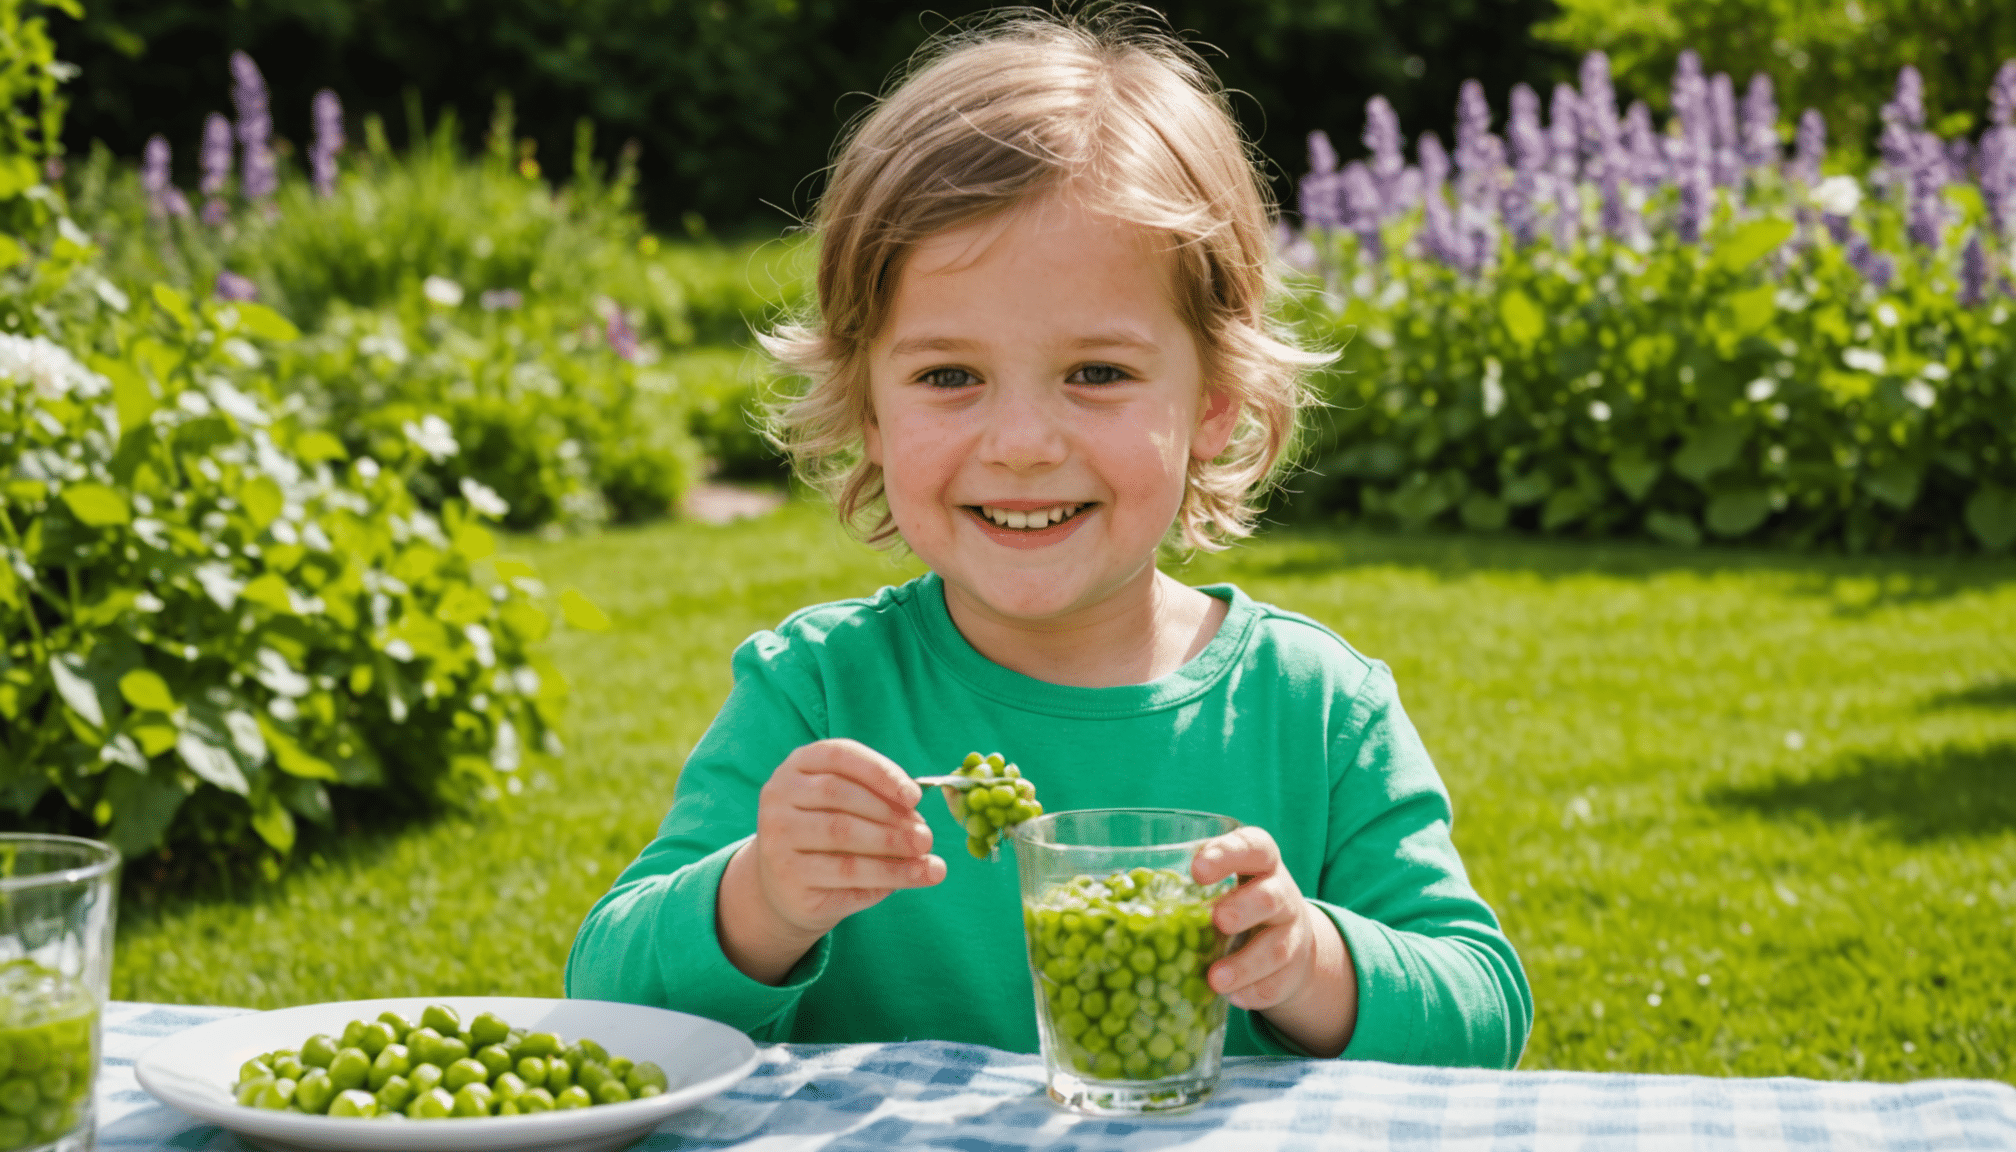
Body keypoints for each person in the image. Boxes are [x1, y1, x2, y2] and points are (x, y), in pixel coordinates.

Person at [566, 6, 1530, 1066]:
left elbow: (1481, 1016)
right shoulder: (819, 694)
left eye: (1098, 374)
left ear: (1214, 399)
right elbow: (609, 1003)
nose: (1022, 443)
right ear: (870, 411)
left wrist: (1307, 961)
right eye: (949, 377)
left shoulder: (1316, 709)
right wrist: (760, 897)